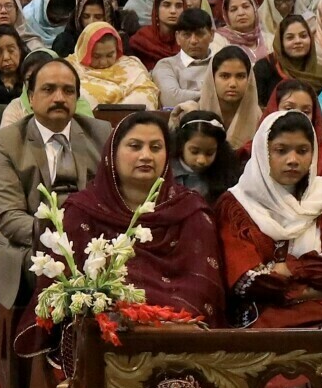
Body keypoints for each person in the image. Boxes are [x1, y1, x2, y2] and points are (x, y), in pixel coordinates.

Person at [16, 109, 223, 365]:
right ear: (112, 154)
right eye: (134, 146)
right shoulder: (83, 210)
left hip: (179, 336)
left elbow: (203, 284)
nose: (146, 156)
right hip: (103, 337)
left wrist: (163, 320)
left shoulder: (190, 209)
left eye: (156, 147)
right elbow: (64, 287)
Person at [217, 110, 322, 329]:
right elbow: (247, 280)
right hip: (262, 323)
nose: (293, 160)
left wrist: (292, 269)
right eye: (281, 150)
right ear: (262, 152)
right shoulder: (236, 205)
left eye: (302, 151)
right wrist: (312, 287)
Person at [0, 58, 111, 307]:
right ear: (30, 97)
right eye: (48, 89)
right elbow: (9, 217)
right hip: (33, 245)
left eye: (68, 91)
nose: (59, 98)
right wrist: (60, 240)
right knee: (60, 272)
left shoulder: (102, 133)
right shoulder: (6, 142)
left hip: (94, 243)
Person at [178, 45, 262, 149]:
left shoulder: (259, 118)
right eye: (225, 76)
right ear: (212, 78)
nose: (233, 84)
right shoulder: (190, 115)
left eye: (240, 76)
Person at [68, 21, 159, 109]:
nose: (103, 62)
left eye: (110, 55)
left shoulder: (130, 65)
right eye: (96, 56)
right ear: (84, 51)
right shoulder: (70, 68)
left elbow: (146, 92)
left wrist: (117, 112)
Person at [154, 9, 219, 109]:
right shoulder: (166, 65)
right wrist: (216, 96)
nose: (193, 41)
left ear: (212, 35)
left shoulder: (222, 64)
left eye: (200, 34)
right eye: (186, 35)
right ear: (177, 37)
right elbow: (171, 99)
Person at [171, 110, 241, 202]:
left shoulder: (225, 175)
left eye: (210, 153)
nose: (201, 160)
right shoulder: (166, 168)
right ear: (181, 144)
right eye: (194, 152)